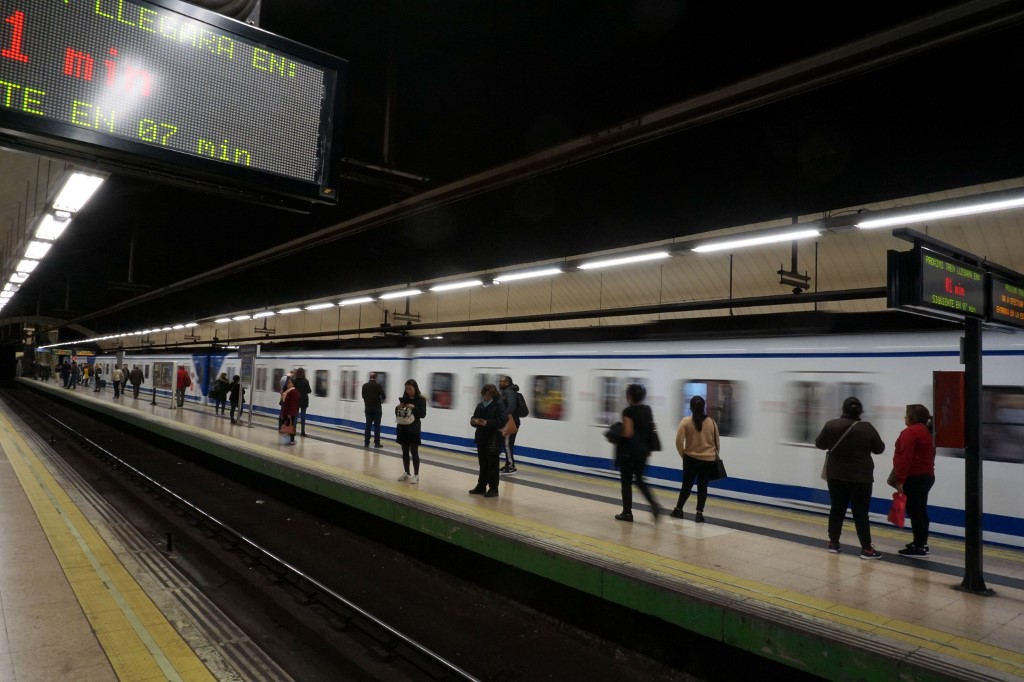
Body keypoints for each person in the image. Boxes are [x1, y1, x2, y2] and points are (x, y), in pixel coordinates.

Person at [815, 397, 886, 559]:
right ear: (860, 411)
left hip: (836, 476)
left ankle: (834, 542)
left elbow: (819, 444)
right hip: (861, 478)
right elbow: (879, 448)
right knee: (861, 513)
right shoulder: (867, 428)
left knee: (837, 509)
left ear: (843, 410)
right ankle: (867, 549)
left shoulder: (831, 425)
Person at [892, 404, 936, 558]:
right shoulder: (926, 431)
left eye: (906, 414)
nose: (904, 417)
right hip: (926, 476)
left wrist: (900, 480)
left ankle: (919, 547)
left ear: (912, 417)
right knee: (921, 510)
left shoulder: (910, 433)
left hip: (914, 477)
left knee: (915, 512)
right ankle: (922, 543)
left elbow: (905, 458)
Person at [615, 383, 662, 523]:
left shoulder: (628, 411)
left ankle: (627, 513)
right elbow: (649, 429)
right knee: (640, 480)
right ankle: (654, 504)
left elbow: (628, 433)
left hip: (629, 452)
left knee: (626, 482)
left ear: (629, 396)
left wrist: (616, 434)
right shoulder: (647, 409)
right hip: (644, 451)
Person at [671, 395, 721, 522]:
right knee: (702, 487)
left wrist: (684, 455)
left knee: (686, 486)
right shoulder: (712, 422)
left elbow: (678, 441)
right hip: (708, 461)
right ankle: (699, 514)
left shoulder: (686, 422)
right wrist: (711, 456)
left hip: (691, 459)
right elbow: (717, 444)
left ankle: (679, 509)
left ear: (691, 407)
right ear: (704, 407)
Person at [469, 384, 506, 498]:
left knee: (493, 466)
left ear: (493, 395)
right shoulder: (480, 405)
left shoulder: (498, 405)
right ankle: (481, 486)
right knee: (483, 464)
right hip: (481, 438)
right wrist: (474, 421)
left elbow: (502, 420)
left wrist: (487, 423)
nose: (486, 397)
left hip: (493, 439)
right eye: (484, 395)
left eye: (488, 395)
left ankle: (493, 489)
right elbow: (473, 418)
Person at [395, 379, 427, 483]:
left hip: (414, 429)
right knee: (404, 452)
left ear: (415, 388)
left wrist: (414, 407)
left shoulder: (421, 399)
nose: (408, 391)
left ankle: (416, 475)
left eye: (410, 389)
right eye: (406, 389)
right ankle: (406, 473)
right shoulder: (404, 399)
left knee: (414, 451)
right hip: (403, 428)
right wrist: (397, 407)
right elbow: (397, 412)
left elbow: (423, 414)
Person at [498, 375, 521, 473]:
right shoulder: (507, 392)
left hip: (510, 421)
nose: (500, 383)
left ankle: (511, 466)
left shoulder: (509, 392)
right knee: (507, 444)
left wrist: (504, 417)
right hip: (510, 420)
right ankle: (508, 463)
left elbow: (511, 407)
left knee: (507, 444)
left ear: (507, 382)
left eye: (502, 381)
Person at [361, 372, 386, 447]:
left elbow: (363, 396)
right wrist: (380, 402)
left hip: (368, 408)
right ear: (376, 377)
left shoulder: (364, 386)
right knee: (377, 426)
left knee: (368, 426)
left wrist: (368, 402)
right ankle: (377, 443)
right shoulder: (378, 386)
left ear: (369, 377)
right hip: (377, 409)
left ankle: (366, 442)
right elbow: (384, 396)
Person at [279, 377, 300, 445]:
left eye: (289, 382)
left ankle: (291, 440)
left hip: (290, 413)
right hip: (287, 412)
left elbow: (292, 404)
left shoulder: (294, 392)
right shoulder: (289, 391)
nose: (288, 383)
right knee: (288, 426)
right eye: (288, 382)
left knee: (290, 426)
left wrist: (289, 414)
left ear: (293, 384)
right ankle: (288, 440)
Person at [293, 368, 312, 436]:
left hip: (296, 399)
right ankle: (302, 432)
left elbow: (292, 389)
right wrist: (304, 391)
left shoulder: (294, 381)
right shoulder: (306, 381)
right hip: (304, 400)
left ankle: (294, 431)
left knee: (295, 416)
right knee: (303, 416)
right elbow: (309, 391)